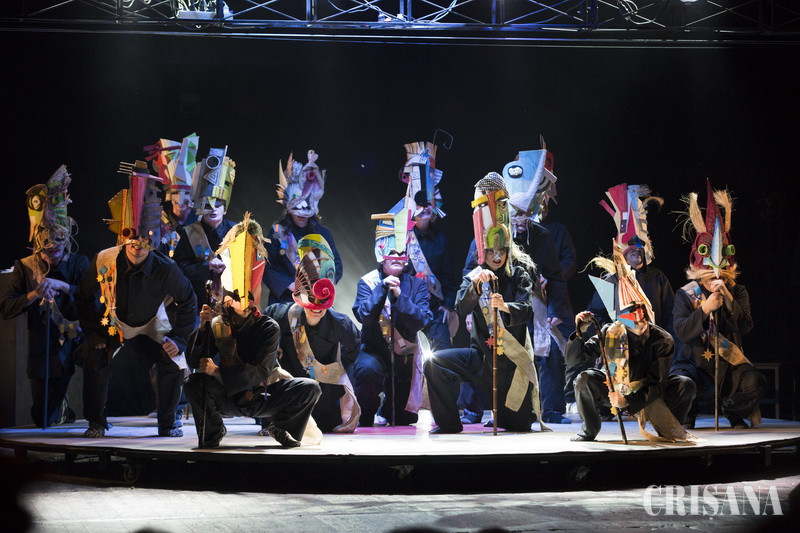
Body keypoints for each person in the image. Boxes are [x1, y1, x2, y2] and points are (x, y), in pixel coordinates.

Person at [77, 161, 196, 438]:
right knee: (95, 356)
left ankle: (168, 422)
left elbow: (188, 301)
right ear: (123, 237)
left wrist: (178, 340)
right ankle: (96, 422)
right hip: (114, 324)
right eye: (131, 238)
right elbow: (83, 296)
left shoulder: (166, 269)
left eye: (144, 240)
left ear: (152, 242)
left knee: (172, 358)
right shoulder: (105, 259)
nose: (137, 246)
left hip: (152, 326)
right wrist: (94, 331)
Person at [425, 173, 548, 434]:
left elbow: (527, 309)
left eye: (501, 251)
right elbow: (460, 307)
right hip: (481, 356)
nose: (496, 256)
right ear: (483, 250)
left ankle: (507, 414)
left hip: (511, 362)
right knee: (433, 363)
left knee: (517, 426)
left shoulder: (520, 272)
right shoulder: (476, 275)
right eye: (491, 251)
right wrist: (476, 287)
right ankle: (448, 423)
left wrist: (505, 306)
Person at [184, 214, 321, 448]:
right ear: (227, 299)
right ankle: (213, 431)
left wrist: (218, 372)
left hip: (263, 394)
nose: (246, 301)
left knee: (309, 388)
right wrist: (202, 328)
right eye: (239, 296)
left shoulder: (268, 326)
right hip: (228, 395)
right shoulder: (218, 324)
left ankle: (282, 428)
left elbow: (261, 370)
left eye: (249, 296)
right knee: (193, 382)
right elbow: (194, 361)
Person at [566, 243, 695, 442]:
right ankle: (588, 429)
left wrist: (628, 400)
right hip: (615, 385)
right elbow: (575, 360)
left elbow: (657, 385)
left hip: (647, 390)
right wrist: (580, 332)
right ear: (622, 316)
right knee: (584, 379)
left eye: (642, 310)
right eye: (632, 312)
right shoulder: (610, 332)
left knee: (685, 384)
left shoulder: (662, 340)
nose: (639, 316)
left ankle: (668, 429)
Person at [671, 179, 765, 430]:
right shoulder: (686, 294)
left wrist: (728, 299)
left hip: (727, 364)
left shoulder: (738, 291)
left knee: (755, 381)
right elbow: (682, 332)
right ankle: (687, 415)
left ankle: (733, 411)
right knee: (680, 383)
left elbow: (745, 326)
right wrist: (705, 308)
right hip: (693, 362)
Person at [0, 166, 88, 427]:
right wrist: (33, 293)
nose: (53, 249)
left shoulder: (79, 263)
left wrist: (62, 286)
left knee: (98, 361)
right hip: (42, 347)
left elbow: (90, 298)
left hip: (75, 339)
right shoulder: (26, 266)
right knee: (42, 416)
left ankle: (95, 416)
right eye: (47, 245)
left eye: (58, 243)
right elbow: (6, 307)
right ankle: (60, 411)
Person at [264, 234, 361, 433]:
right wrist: (275, 347)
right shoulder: (284, 313)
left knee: (324, 424)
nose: (316, 307)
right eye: (311, 300)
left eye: (321, 302)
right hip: (290, 385)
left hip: (324, 387)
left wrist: (336, 368)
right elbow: (263, 323)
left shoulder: (340, 323)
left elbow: (354, 347)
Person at [351, 205, 433, 427]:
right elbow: (364, 316)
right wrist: (382, 290)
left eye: (401, 253)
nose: (397, 257)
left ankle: (387, 409)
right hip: (374, 349)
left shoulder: (417, 285)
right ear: (381, 255)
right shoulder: (367, 282)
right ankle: (367, 413)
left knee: (404, 418)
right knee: (368, 371)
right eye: (392, 252)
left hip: (405, 353)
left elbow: (422, 320)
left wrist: (399, 296)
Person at [398, 142, 459, 354]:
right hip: (406, 309)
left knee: (443, 355)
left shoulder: (441, 238)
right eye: (420, 203)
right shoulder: (400, 236)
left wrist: (448, 305)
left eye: (428, 203)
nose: (425, 208)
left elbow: (448, 277)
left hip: (434, 310)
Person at [264, 150, 343, 305]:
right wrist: (291, 285)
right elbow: (268, 267)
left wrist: (323, 285)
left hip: (317, 299)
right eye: (296, 208)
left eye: (306, 208)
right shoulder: (277, 231)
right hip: (286, 299)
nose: (301, 214)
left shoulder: (323, 233)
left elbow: (336, 264)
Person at [171, 144, 237, 309]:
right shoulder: (189, 232)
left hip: (232, 300)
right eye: (208, 205)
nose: (213, 209)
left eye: (218, 205)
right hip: (198, 301)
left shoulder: (237, 231)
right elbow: (179, 267)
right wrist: (206, 267)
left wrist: (227, 267)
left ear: (225, 209)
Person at [144, 134, 200, 258]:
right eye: (175, 193)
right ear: (168, 194)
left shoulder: (202, 223)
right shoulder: (158, 222)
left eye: (186, 193)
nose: (180, 199)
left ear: (193, 195)